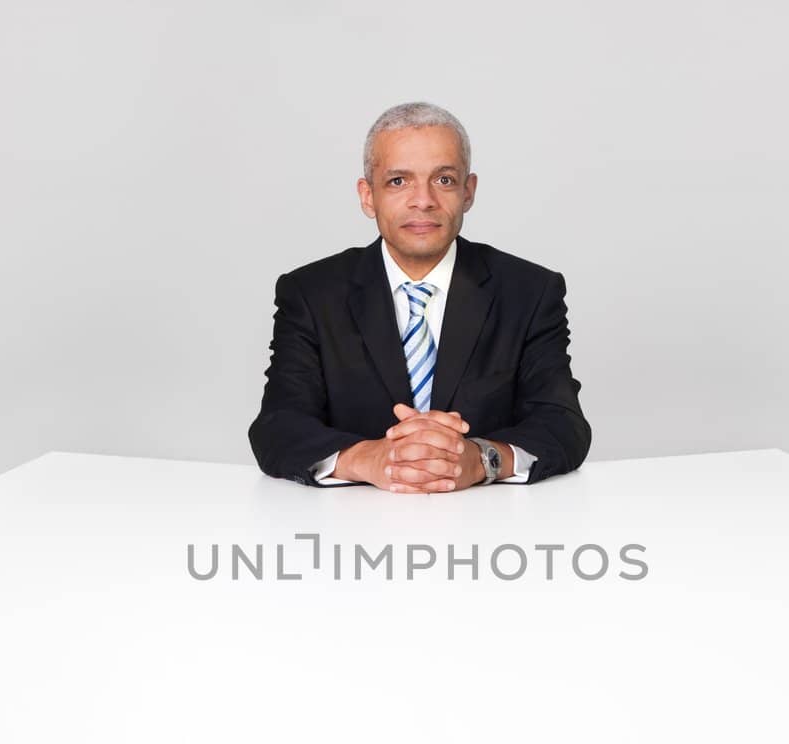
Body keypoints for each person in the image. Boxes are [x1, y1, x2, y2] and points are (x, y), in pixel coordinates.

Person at [248, 102, 591, 491]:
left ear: (468, 191)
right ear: (367, 196)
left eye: (443, 180)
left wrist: (483, 459)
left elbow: (564, 424)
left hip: (491, 524)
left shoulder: (529, 291)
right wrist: (371, 459)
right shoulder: (311, 294)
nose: (423, 200)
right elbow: (277, 426)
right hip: (347, 529)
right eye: (398, 181)